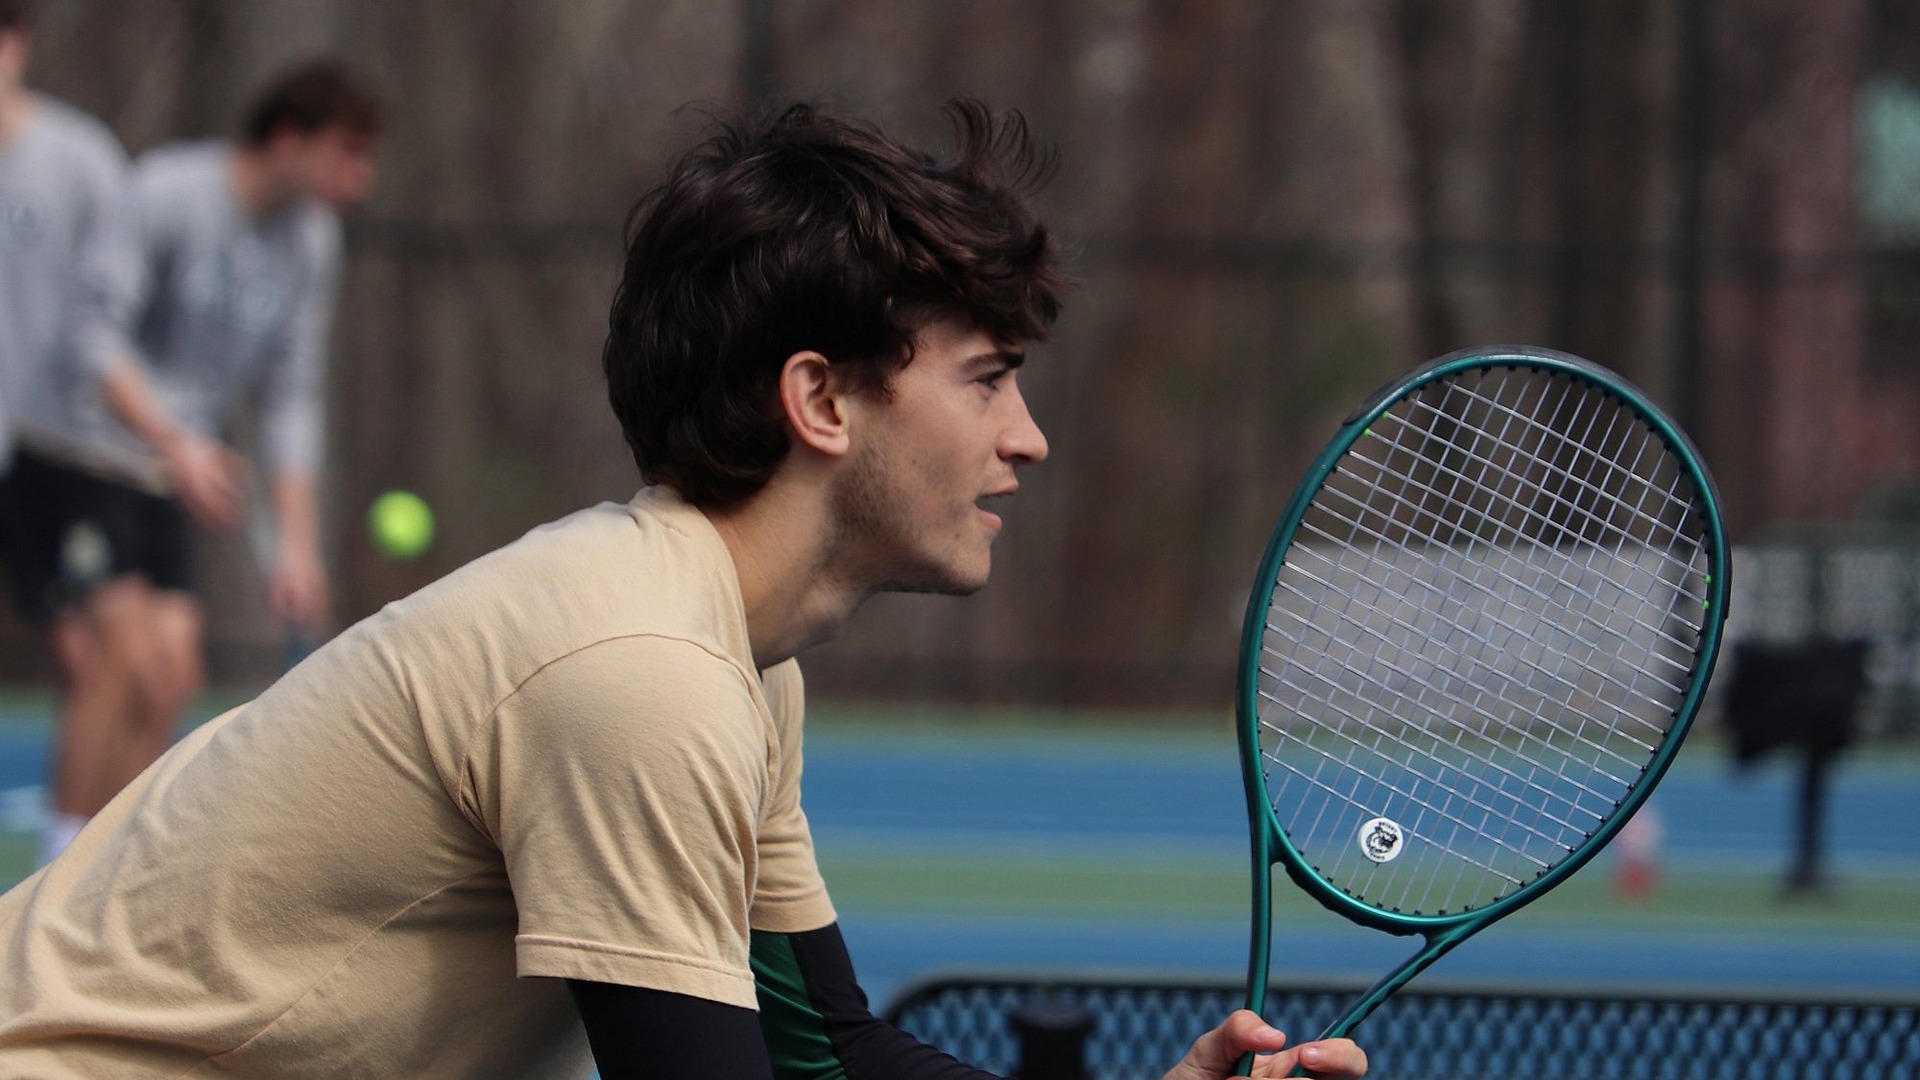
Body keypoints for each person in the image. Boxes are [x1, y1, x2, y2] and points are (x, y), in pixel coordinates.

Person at [0, 100, 1366, 1080]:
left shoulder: (731, 657)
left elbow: (823, 1047)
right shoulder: (639, 668)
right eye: (988, 379)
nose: (1029, 438)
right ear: (821, 398)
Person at [0, 58, 382, 865]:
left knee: (170, 672)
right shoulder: (168, 192)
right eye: (348, 153)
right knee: (122, 657)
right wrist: (177, 442)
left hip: (160, 476)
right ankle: (50, 883)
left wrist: (296, 547)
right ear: (288, 139)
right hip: (72, 455)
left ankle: (110, 877)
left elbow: (291, 395)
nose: (361, 178)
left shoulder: (312, 243)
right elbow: (92, 336)